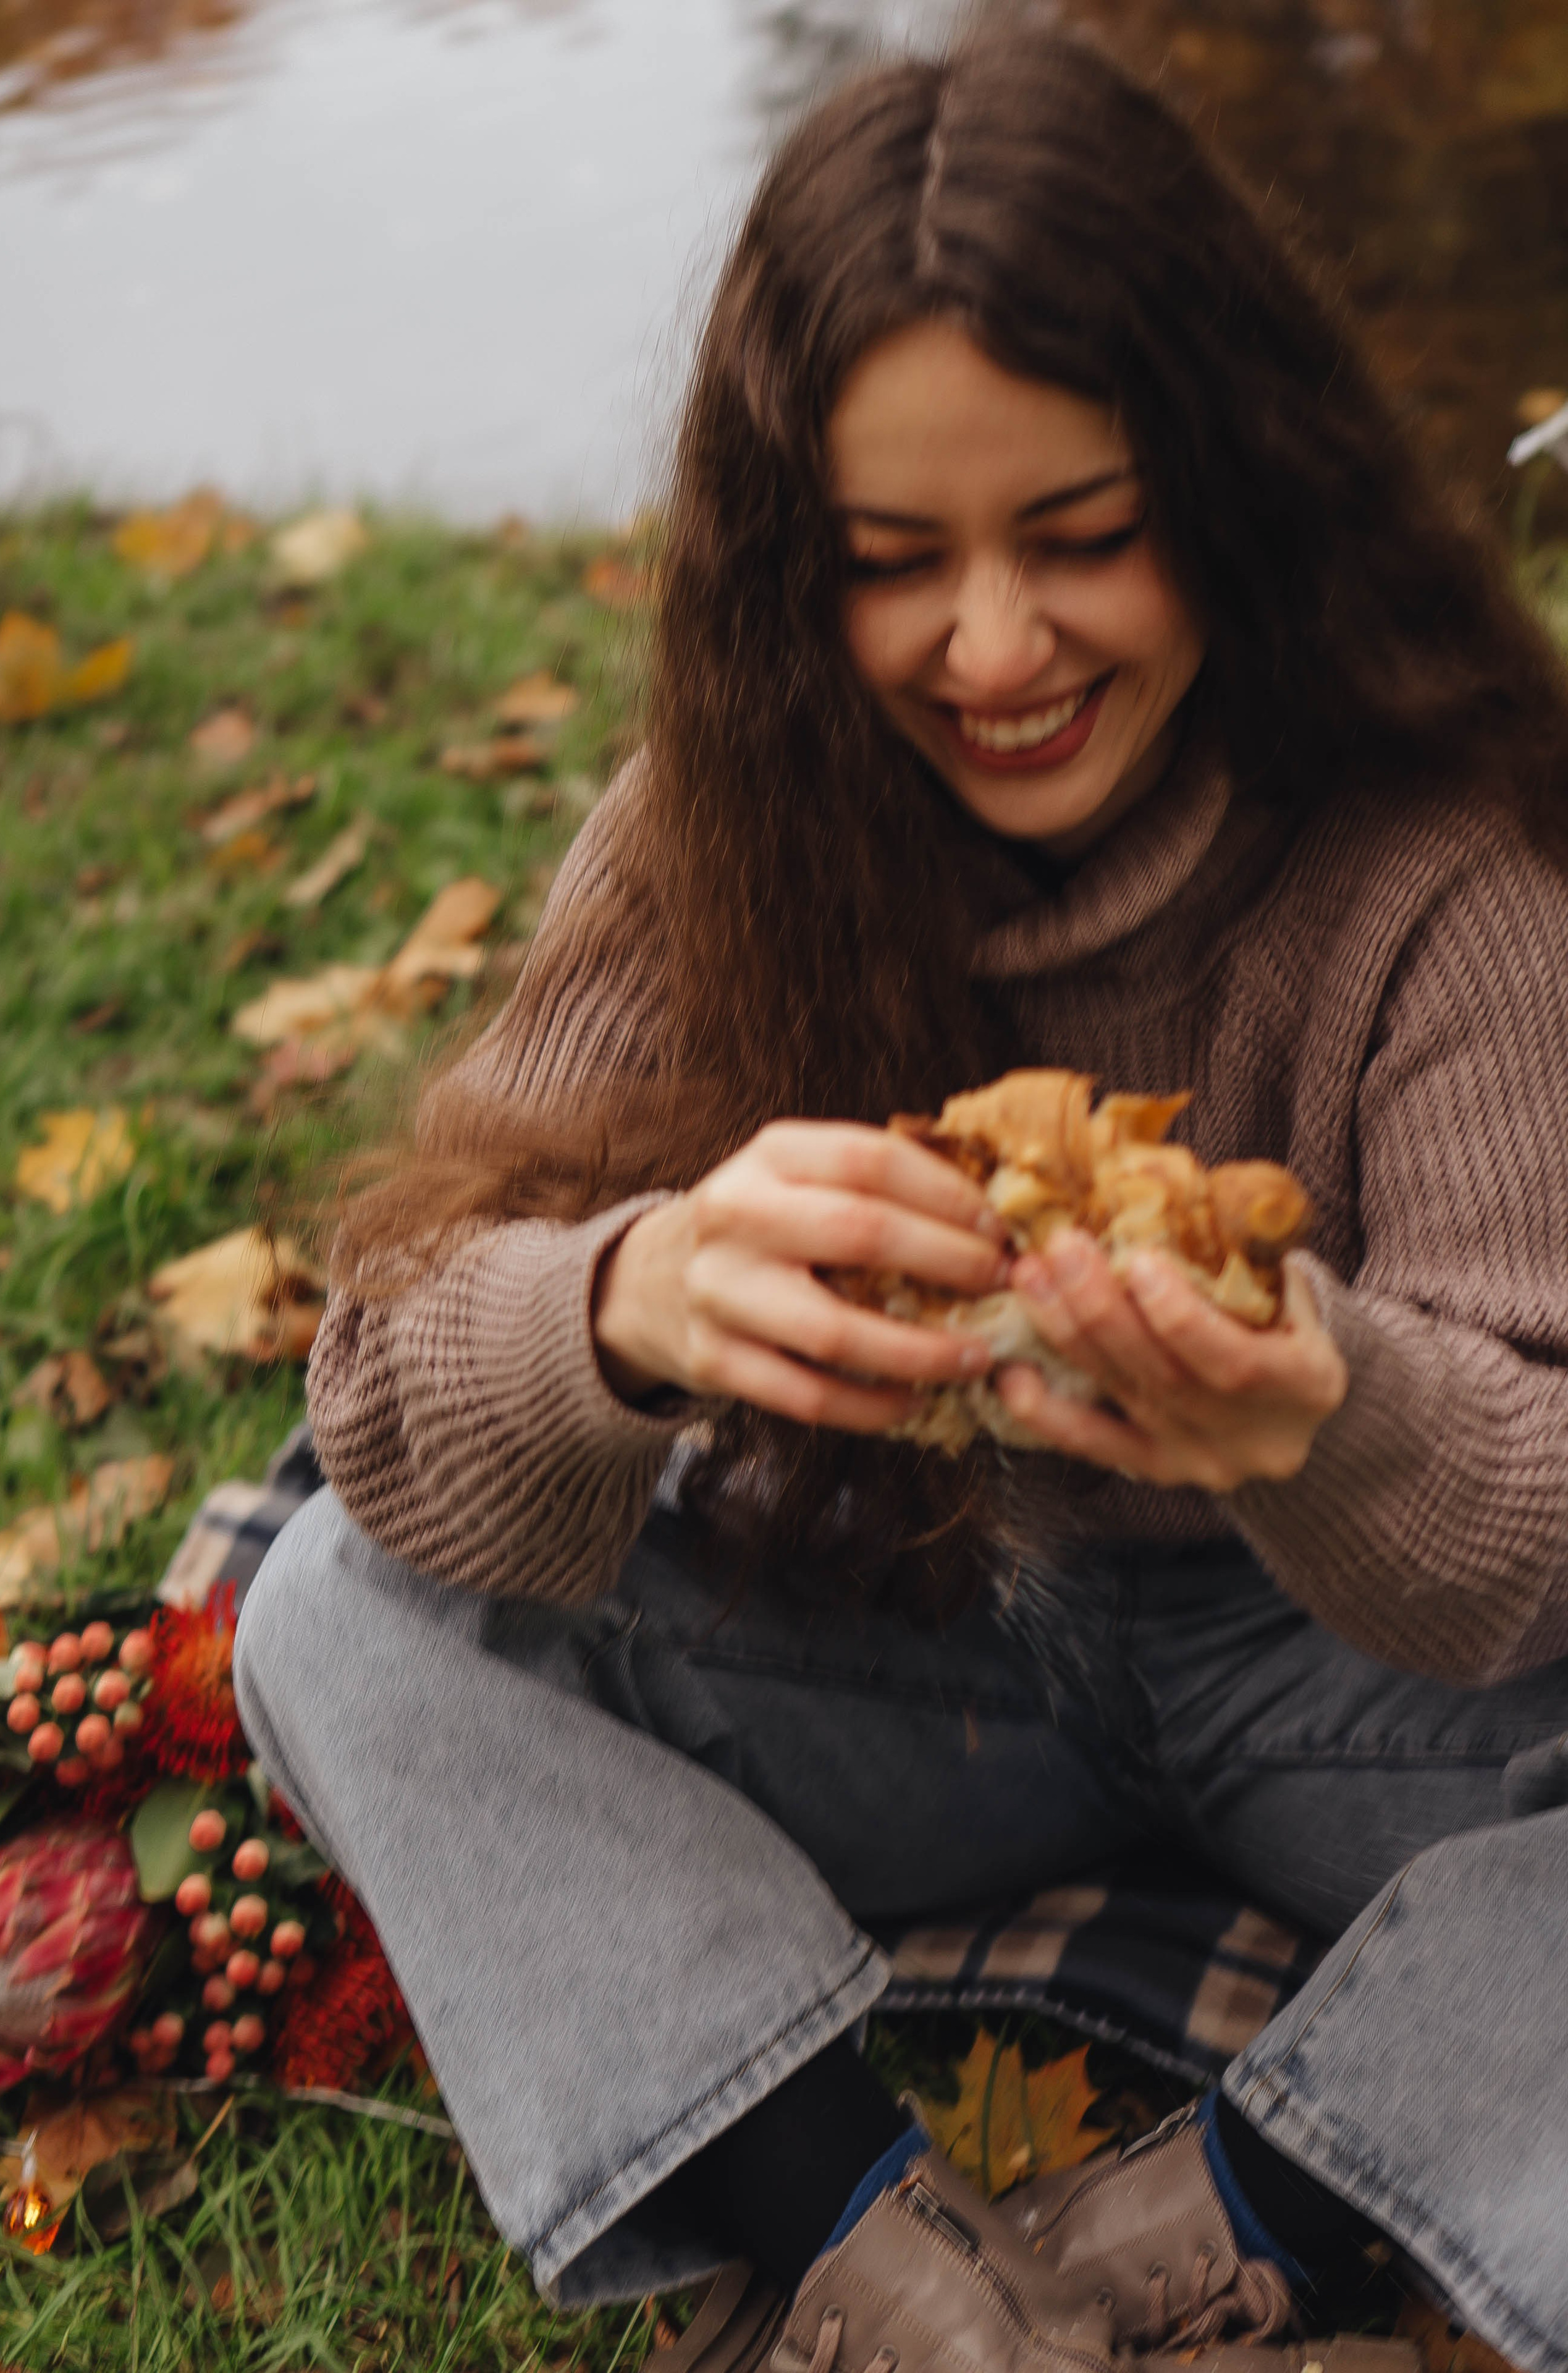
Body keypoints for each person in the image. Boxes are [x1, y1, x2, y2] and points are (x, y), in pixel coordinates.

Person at [234, 14, 1568, 2372]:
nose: (993, 650)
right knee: (334, 1614)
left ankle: (1266, 2202)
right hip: (914, 1638)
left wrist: (1330, 1411)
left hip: (1363, 1700)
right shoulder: (725, 822)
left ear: (1235, 484)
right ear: (787, 569)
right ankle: (850, 2236)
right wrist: (624, 1306)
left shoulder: (1438, 858)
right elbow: (390, 1386)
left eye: (1080, 538)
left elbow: (1535, 1522)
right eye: (891, 565)